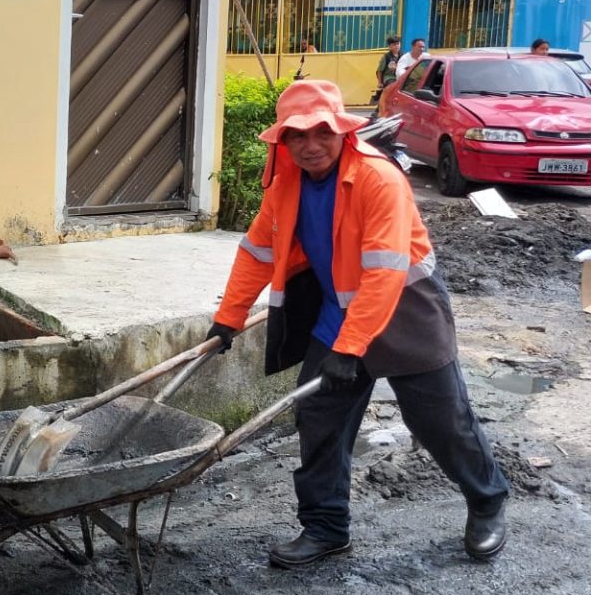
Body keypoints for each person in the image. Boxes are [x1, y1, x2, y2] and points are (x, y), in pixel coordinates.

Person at [204, 80, 508, 570]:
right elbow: (256, 253)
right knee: (319, 417)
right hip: (339, 314)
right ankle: (325, 527)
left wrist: (352, 348)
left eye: (320, 133)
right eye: (297, 137)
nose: (310, 146)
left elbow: (386, 271)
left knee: (441, 422)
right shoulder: (286, 186)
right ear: (283, 141)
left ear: (341, 131)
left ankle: (487, 500)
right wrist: (227, 320)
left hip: (407, 310)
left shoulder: (376, 178)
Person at [373, 35, 402, 100]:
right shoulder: (386, 57)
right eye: (394, 44)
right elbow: (379, 71)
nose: (397, 46)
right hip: (389, 77)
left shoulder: (403, 56)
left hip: (399, 77)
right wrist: (380, 83)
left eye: (398, 44)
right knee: (392, 85)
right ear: (390, 46)